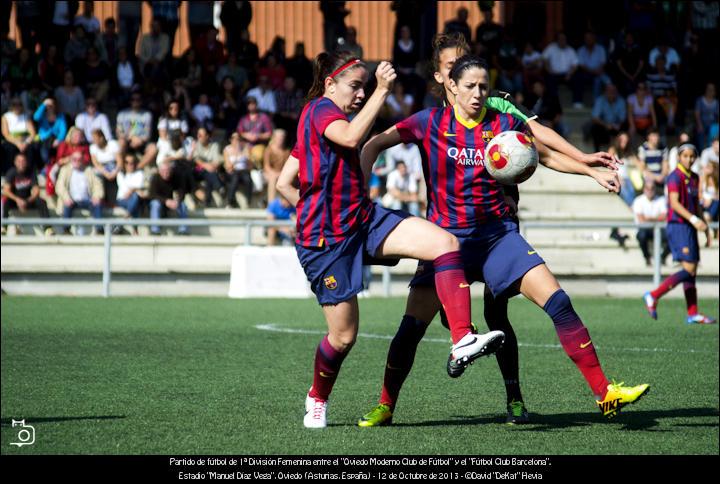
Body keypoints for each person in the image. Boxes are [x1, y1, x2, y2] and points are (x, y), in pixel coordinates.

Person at [357, 54, 648, 427]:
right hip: (444, 243)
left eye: (483, 87)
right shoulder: (428, 122)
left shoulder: (505, 123)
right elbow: (373, 144)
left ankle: (604, 393)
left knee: (558, 301)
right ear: (452, 87)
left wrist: (589, 171)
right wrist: (361, 192)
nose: (478, 94)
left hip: (498, 238)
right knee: (410, 330)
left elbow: (542, 155)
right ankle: (385, 405)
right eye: (470, 87)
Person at [275, 51, 505, 429]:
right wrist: (383, 89)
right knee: (344, 336)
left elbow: (285, 183)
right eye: (355, 86)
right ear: (330, 84)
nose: (361, 94)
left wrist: (310, 206)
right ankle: (317, 397)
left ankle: (462, 338)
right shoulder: (319, 111)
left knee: (445, 244)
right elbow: (350, 138)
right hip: (327, 242)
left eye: (365, 87)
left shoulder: (323, 122)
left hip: (364, 220)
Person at [643, 144, 716, 324]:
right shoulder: (674, 176)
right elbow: (674, 204)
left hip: (690, 226)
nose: (689, 159)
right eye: (686, 156)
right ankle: (653, 295)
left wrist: (705, 228)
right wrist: (693, 220)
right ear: (679, 157)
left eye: (692, 156)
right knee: (689, 268)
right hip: (678, 226)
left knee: (692, 271)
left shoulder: (695, 177)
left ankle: (693, 313)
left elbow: (697, 205)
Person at [1, 153, 52, 236]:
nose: (21, 163)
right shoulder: (11, 172)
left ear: (26, 162)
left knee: (42, 202)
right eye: (19, 161)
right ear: (15, 162)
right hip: (15, 201)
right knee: (5, 201)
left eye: (23, 161)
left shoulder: (31, 172)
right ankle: (3, 227)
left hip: (28, 200)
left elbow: (36, 190)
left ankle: (48, 228)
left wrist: (27, 201)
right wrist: (18, 200)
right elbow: (6, 191)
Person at [56, 151, 104, 235]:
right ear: (71, 159)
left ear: (83, 160)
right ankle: (66, 230)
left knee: (97, 204)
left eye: (79, 159)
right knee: (66, 205)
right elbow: (60, 186)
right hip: (71, 200)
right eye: (74, 159)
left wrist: (96, 196)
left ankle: (99, 230)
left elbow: (98, 185)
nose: (77, 161)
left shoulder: (89, 170)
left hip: (87, 200)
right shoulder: (65, 170)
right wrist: (66, 198)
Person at [116, 93, 158, 171]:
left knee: (154, 148)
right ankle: (122, 169)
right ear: (130, 101)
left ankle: (137, 168)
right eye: (133, 100)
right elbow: (119, 132)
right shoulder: (122, 114)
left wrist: (140, 140)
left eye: (138, 100)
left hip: (142, 142)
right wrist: (130, 138)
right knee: (120, 143)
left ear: (141, 101)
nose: (135, 102)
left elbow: (148, 134)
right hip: (127, 141)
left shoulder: (147, 115)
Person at [632, 181, 670, 266]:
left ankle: (662, 258)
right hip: (645, 229)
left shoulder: (661, 200)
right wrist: (657, 218)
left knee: (674, 235)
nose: (650, 190)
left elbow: (664, 217)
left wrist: (648, 218)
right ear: (644, 189)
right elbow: (641, 220)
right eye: (647, 188)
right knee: (641, 235)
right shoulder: (638, 200)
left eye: (652, 188)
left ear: (655, 189)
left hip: (658, 229)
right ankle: (647, 258)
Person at [149, 162, 189, 236]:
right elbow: (152, 195)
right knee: (155, 204)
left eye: (168, 171)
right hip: (160, 202)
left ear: (171, 170)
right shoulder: (155, 178)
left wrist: (177, 201)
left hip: (173, 202)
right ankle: (155, 230)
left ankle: (183, 230)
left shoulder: (177, 177)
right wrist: (166, 201)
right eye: (163, 171)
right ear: (159, 171)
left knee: (182, 205)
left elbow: (182, 191)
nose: (166, 173)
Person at [237, 96, 273, 169]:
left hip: (259, 144)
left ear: (256, 104)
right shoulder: (244, 119)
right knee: (240, 158)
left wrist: (258, 136)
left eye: (253, 104)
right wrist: (246, 135)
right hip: (245, 145)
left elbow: (269, 134)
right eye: (249, 104)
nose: (251, 106)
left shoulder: (263, 117)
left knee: (257, 156)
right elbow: (239, 132)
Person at [191, 127, 223, 208]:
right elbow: (196, 160)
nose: (199, 137)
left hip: (209, 171)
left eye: (201, 135)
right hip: (197, 171)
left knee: (208, 178)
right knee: (207, 172)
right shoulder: (196, 144)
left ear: (207, 136)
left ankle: (207, 202)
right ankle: (219, 186)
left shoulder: (215, 145)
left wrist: (209, 166)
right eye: (198, 135)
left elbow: (217, 161)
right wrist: (207, 165)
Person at [115, 152, 146, 232]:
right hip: (122, 200)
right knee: (136, 199)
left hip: (132, 199)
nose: (129, 165)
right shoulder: (120, 174)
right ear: (124, 164)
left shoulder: (140, 173)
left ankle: (125, 219)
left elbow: (134, 188)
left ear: (135, 164)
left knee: (135, 199)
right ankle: (135, 230)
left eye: (132, 163)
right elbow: (126, 189)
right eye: (127, 162)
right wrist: (134, 189)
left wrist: (132, 190)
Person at [89, 129, 121, 205]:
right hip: (101, 168)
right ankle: (100, 198)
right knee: (95, 174)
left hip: (114, 166)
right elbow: (95, 163)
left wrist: (114, 172)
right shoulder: (93, 147)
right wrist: (105, 173)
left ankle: (114, 201)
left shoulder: (113, 144)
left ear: (101, 138)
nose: (94, 141)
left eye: (95, 139)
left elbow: (119, 161)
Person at [224, 132, 253, 208]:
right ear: (231, 140)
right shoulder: (227, 149)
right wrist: (237, 155)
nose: (237, 141)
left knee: (248, 179)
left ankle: (248, 202)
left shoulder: (245, 148)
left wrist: (247, 158)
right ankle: (230, 202)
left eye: (239, 139)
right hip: (233, 171)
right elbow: (228, 167)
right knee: (235, 179)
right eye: (235, 139)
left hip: (244, 170)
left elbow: (250, 166)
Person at [263, 129, 289, 204]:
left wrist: (281, 173)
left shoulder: (286, 151)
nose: (281, 140)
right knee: (273, 179)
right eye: (279, 138)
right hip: (269, 173)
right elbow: (266, 166)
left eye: (282, 138)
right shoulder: (268, 150)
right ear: (274, 138)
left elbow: (287, 166)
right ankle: (271, 204)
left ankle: (285, 204)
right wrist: (274, 173)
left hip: (281, 173)